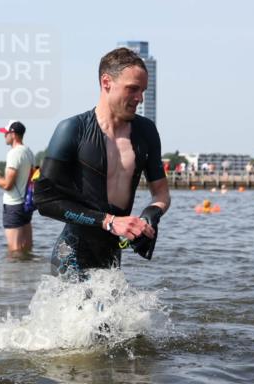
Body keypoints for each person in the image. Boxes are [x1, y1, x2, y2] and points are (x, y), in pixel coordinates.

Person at [34, 47, 170, 278]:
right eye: (132, 89)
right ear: (106, 82)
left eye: (143, 90)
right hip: (72, 254)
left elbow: (161, 194)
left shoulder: (146, 131)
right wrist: (109, 221)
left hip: (112, 253)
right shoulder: (72, 129)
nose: (140, 98)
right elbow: (45, 200)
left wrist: (150, 216)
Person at [0, 120, 35, 254]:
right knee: (26, 248)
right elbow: (22, 179)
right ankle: (29, 273)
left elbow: (8, 185)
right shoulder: (29, 152)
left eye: (6, 133)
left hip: (13, 205)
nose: (4, 136)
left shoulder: (14, 153)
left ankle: (15, 274)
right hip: (26, 205)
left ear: (13, 134)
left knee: (14, 250)